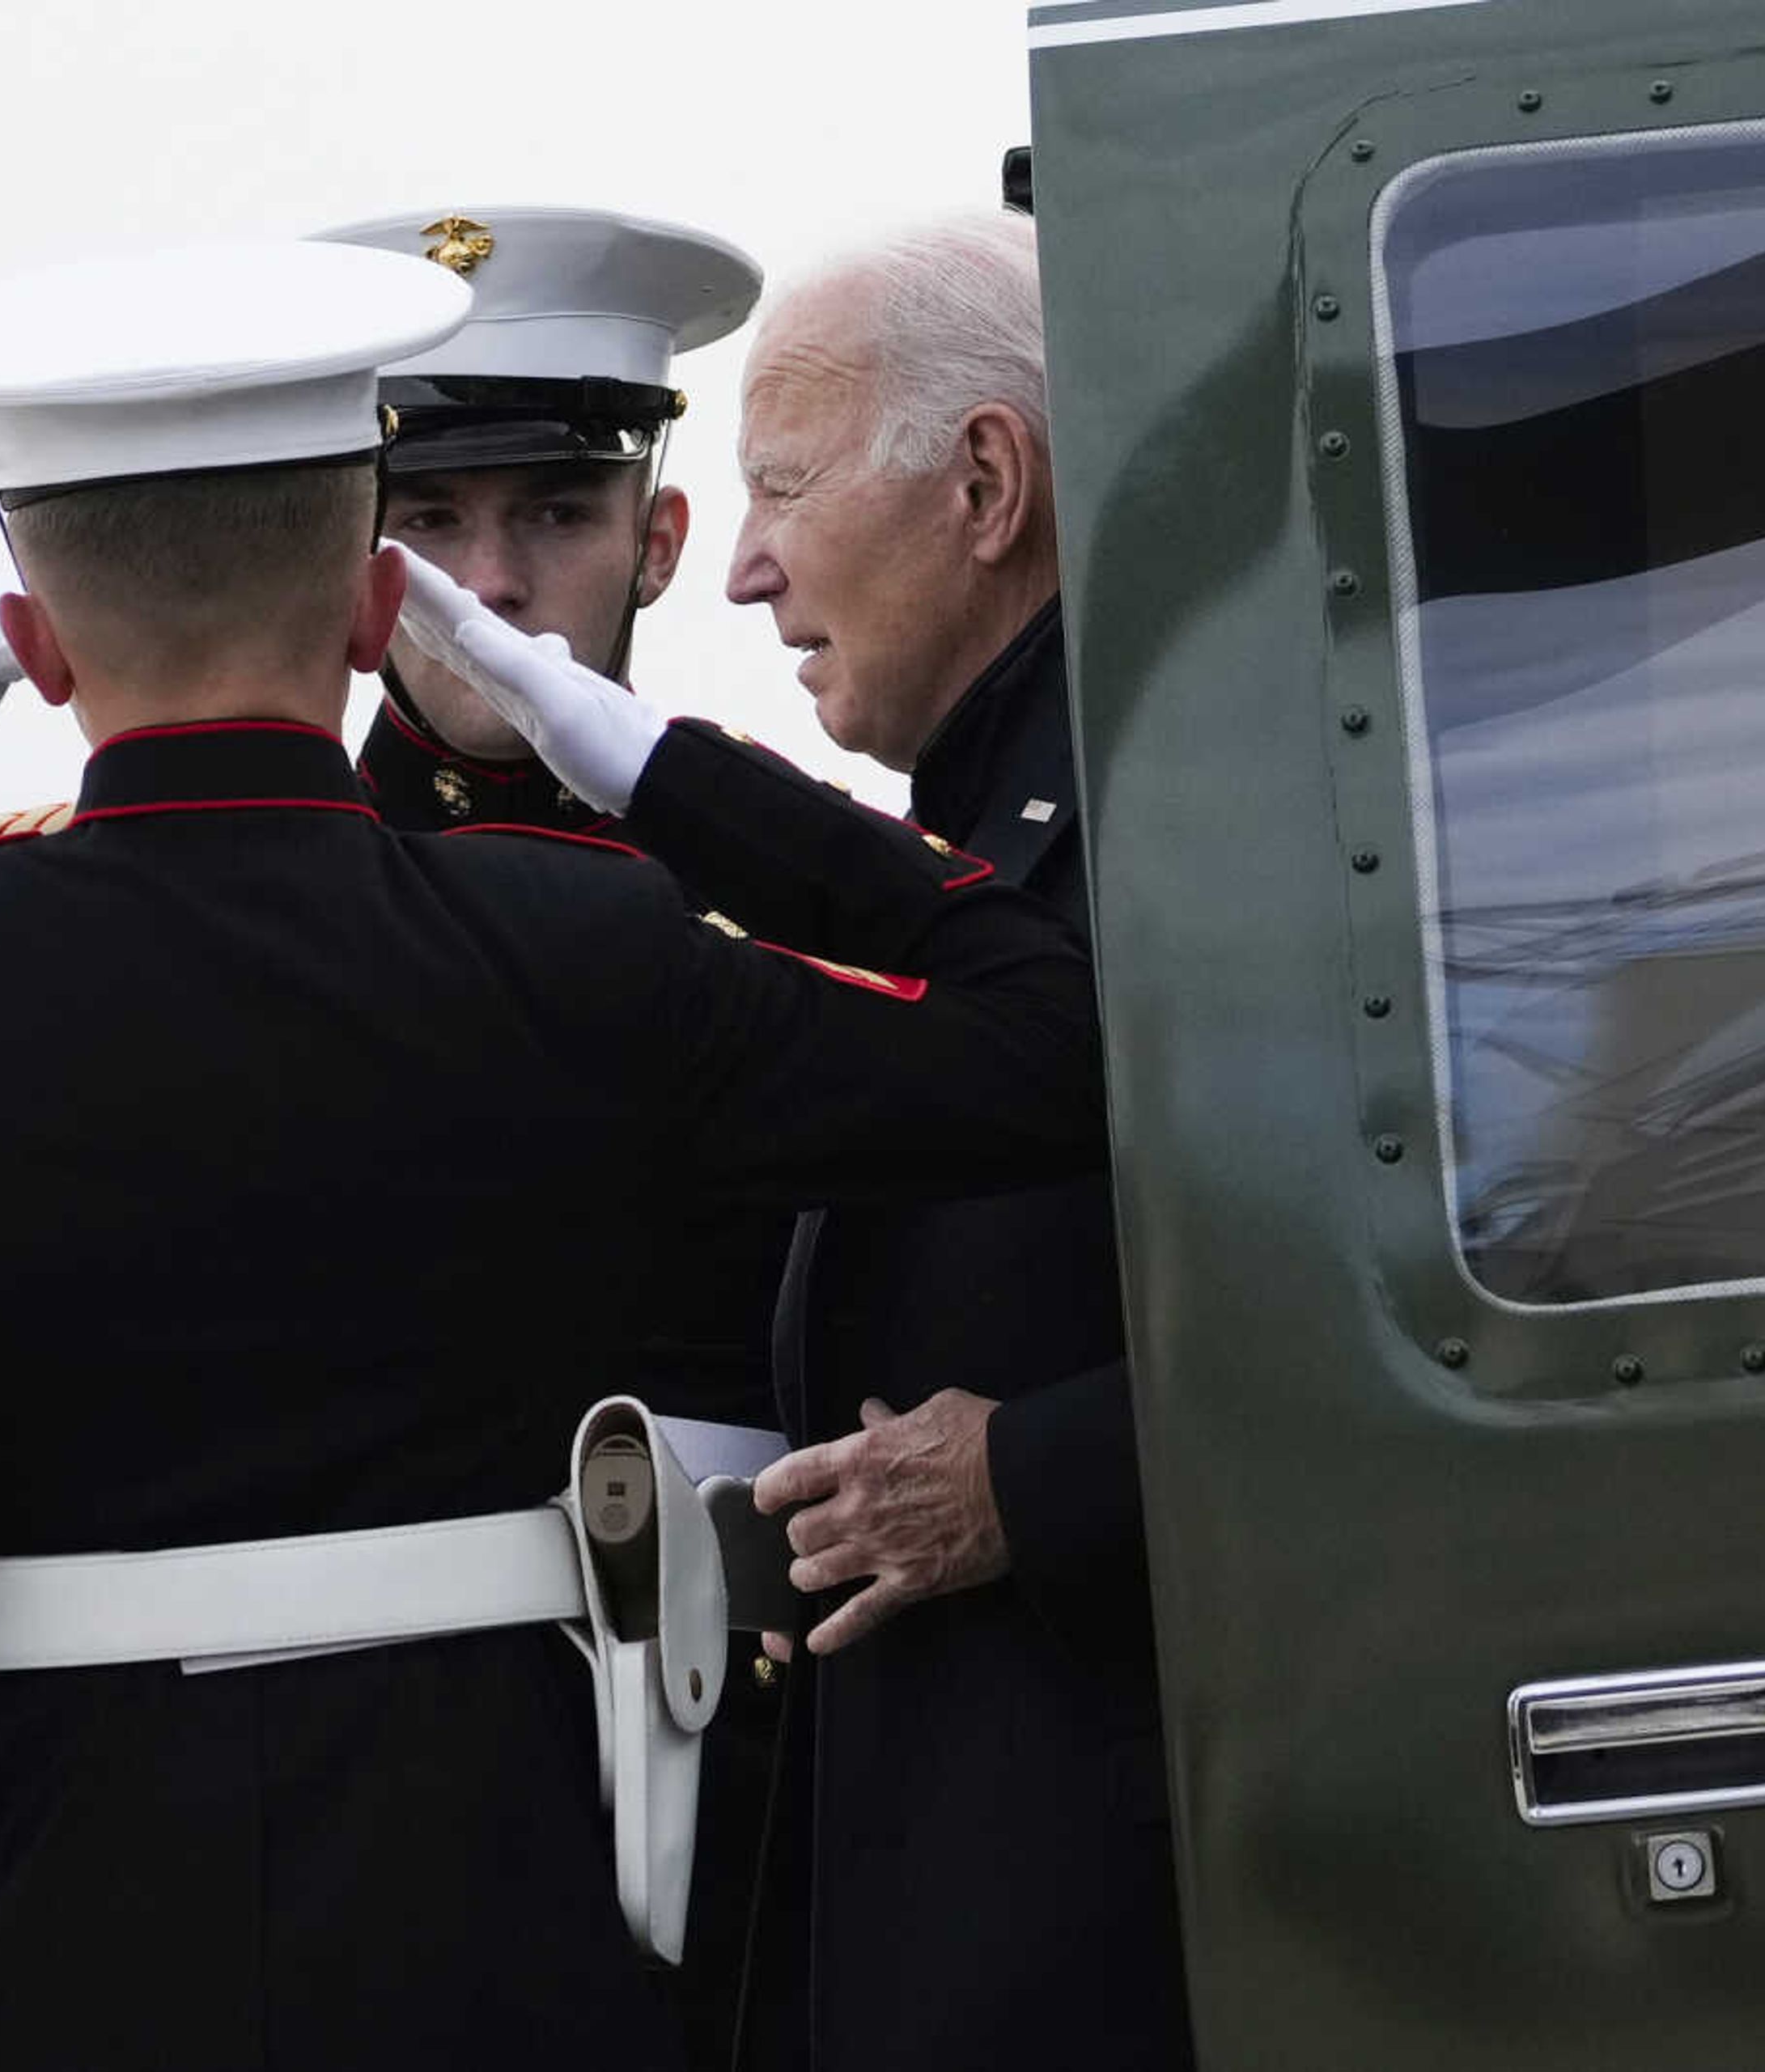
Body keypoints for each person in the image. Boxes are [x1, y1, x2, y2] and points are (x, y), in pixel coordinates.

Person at [0, 237, 1109, 2071]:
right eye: (436, 533)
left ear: (31, 622)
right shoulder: (586, 943)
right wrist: (645, 760)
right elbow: (1050, 1037)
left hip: (53, 1945)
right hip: (515, 1941)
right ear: (377, 603)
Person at [723, 210, 1194, 2070]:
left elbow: (1414, 1301)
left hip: (1131, 1924)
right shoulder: (984, 846)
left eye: (781, 487)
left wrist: (1038, 1476)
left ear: (983, 479)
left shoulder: (1170, 832)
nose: (748, 569)